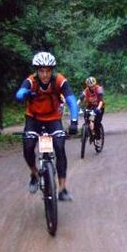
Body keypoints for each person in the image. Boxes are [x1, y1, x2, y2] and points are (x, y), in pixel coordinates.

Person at [15, 52, 78, 201]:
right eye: (42, 71)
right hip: (33, 119)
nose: (45, 74)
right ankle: (34, 173)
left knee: (60, 147)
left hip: (53, 119)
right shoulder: (31, 81)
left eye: (48, 71)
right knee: (28, 146)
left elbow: (71, 99)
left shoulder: (59, 81)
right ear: (37, 71)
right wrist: (25, 94)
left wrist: (74, 121)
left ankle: (62, 189)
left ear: (52, 71)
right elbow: (19, 94)